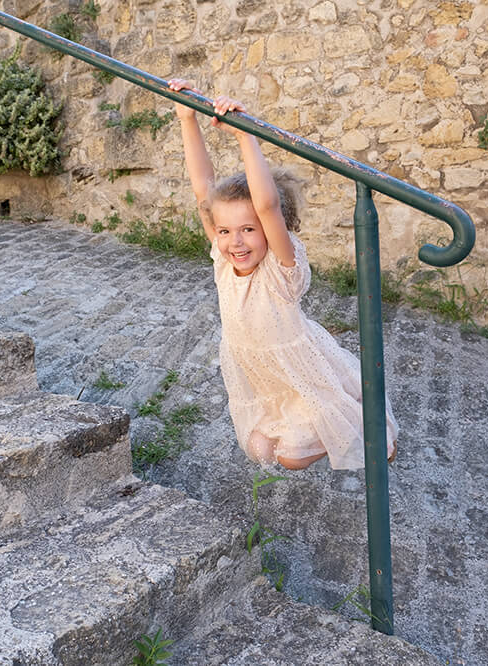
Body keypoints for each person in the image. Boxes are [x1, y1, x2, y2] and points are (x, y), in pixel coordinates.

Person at [168, 79, 398, 471]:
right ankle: (330, 426)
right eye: (225, 231)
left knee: (291, 459)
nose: (235, 242)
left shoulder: (279, 271)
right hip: (269, 383)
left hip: (301, 372)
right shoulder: (225, 262)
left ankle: (354, 426)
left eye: (248, 230)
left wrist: (245, 137)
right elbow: (202, 191)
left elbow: (268, 204)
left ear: (271, 232)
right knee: (258, 449)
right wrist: (187, 118)